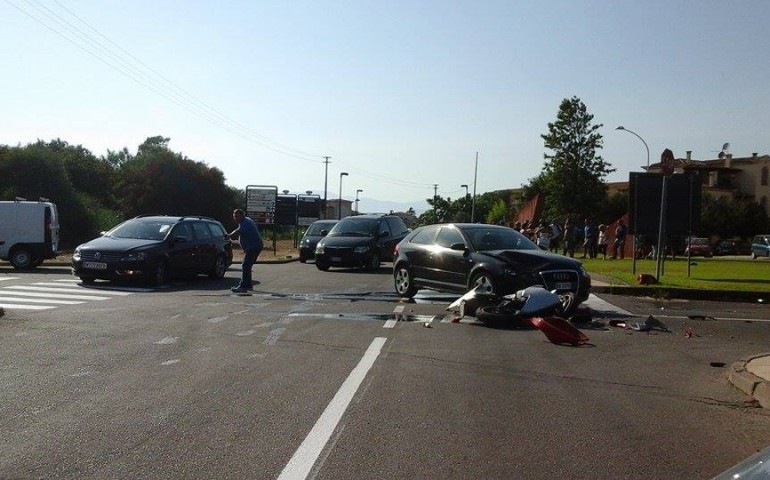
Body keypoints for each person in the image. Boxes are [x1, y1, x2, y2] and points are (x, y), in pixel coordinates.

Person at [229, 208, 264, 293]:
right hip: (253, 247)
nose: (235, 218)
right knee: (247, 266)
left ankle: (243, 286)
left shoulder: (246, 223)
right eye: (234, 216)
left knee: (245, 265)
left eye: (237, 216)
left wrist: (228, 235)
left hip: (254, 247)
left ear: (242, 215)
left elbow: (238, 231)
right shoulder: (244, 222)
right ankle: (247, 285)